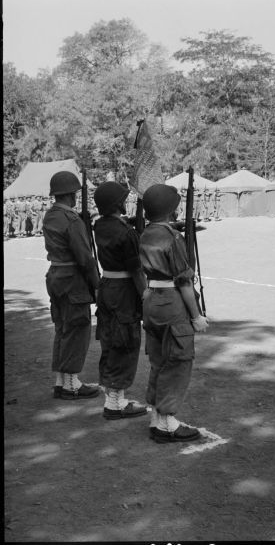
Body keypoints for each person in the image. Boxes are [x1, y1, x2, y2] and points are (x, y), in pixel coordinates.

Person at [140, 183, 209, 443]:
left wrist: (176, 229)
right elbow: (184, 282)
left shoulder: (147, 232)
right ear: (171, 209)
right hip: (172, 303)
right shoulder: (173, 238)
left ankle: (158, 416)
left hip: (152, 301)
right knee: (178, 360)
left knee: (159, 359)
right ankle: (167, 422)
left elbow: (160, 238)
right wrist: (196, 317)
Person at [43, 171, 100, 399]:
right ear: (70, 195)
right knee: (77, 328)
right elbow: (85, 259)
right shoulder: (72, 220)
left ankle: (61, 380)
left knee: (62, 328)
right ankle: (71, 384)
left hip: (56, 274)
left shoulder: (50, 215)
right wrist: (96, 285)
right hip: (72, 277)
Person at [93, 181, 148, 420]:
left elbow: (116, 231)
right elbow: (136, 271)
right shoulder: (126, 233)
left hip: (106, 286)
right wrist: (145, 295)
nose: (125, 202)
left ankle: (113, 397)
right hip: (124, 290)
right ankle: (115, 404)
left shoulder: (100, 225)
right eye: (122, 199)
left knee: (110, 340)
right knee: (125, 341)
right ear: (117, 204)